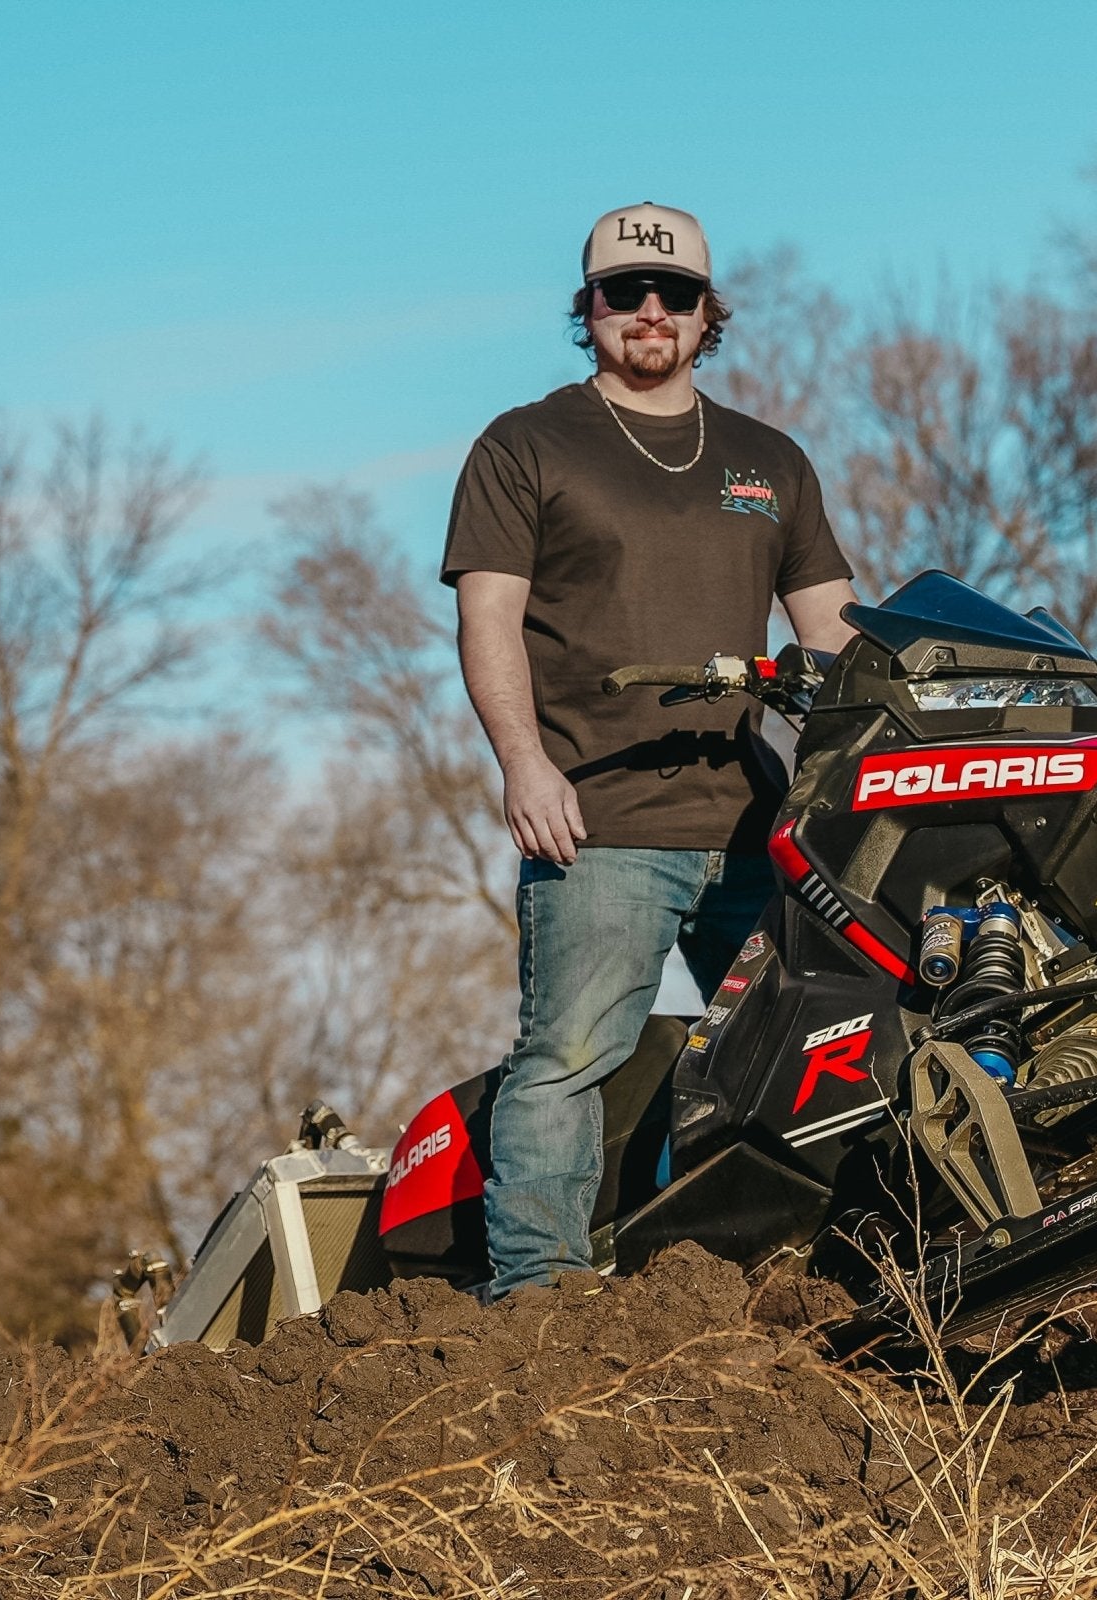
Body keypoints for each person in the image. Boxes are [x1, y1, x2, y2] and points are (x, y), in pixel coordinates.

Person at [440, 202, 858, 1299]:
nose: (650, 312)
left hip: (755, 830)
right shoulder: (527, 444)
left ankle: (776, 1276)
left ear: (708, 312)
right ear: (588, 310)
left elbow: (834, 633)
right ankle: (536, 1297)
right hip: (597, 821)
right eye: (624, 293)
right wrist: (523, 763)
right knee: (568, 1061)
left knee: (809, 1053)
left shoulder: (771, 460)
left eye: (674, 295)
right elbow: (488, 623)